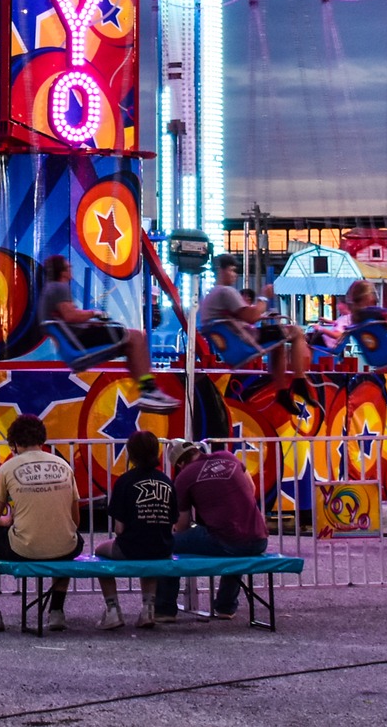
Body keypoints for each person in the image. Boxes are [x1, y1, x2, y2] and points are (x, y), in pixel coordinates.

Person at [0, 413, 81, 631]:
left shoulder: (8, 468)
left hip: (25, 548)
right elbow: (75, 519)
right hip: (65, 548)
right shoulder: (64, 466)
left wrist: (7, 520)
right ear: (42, 441)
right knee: (69, 537)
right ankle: (56, 611)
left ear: (14, 444)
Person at [37, 255, 179, 412]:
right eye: (68, 267)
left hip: (76, 339)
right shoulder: (59, 287)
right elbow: (70, 315)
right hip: (79, 343)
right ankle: (149, 390)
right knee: (137, 337)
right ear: (62, 272)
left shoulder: (49, 291)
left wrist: (89, 321)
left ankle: (147, 390)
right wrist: (95, 313)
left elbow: (66, 318)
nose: (71, 270)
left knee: (130, 346)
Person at [160, 440, 269, 620]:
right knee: (235, 537)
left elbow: (182, 525)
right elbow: (251, 488)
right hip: (259, 538)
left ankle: (164, 608)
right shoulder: (228, 457)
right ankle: (226, 607)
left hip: (228, 541)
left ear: (179, 463)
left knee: (168, 544)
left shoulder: (185, 476)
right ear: (196, 450)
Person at [197, 254, 312, 415]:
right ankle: (300, 381)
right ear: (220, 271)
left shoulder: (209, 297)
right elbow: (252, 316)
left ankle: (282, 392)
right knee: (297, 332)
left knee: (277, 345)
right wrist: (264, 297)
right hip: (245, 342)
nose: (235, 274)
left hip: (234, 344)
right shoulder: (225, 292)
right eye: (231, 270)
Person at [96, 429, 174, 629]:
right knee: (149, 555)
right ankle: (148, 609)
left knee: (99, 554)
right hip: (162, 549)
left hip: (130, 548)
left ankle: (113, 610)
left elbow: (120, 529)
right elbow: (173, 520)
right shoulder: (166, 481)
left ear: (131, 454)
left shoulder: (125, 481)